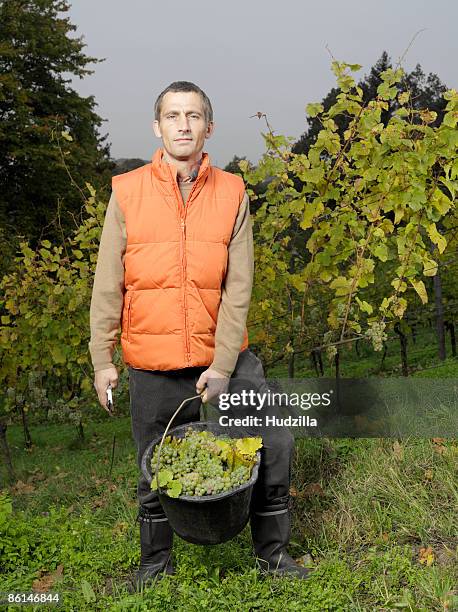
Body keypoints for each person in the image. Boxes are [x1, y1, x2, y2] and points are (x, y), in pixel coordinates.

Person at [89, 81, 310, 589]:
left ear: (208, 127)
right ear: (157, 126)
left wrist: (224, 365)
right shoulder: (127, 191)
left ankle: (272, 556)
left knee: (272, 442)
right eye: (172, 115)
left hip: (224, 355)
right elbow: (108, 284)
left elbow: (239, 286)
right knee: (153, 466)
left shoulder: (232, 192)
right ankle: (155, 567)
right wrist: (103, 357)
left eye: (193, 115)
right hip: (153, 359)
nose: (183, 124)